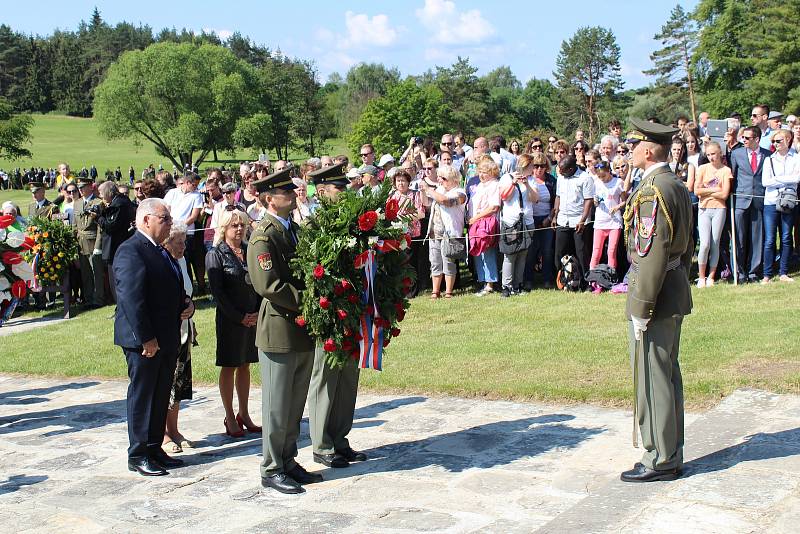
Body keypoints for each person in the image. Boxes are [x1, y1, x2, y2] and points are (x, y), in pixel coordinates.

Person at [620, 118, 693, 483]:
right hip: (673, 287)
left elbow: (652, 252)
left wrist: (641, 306)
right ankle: (669, 451)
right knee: (665, 373)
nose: (629, 151)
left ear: (648, 150)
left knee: (654, 377)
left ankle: (661, 458)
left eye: (633, 145)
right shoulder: (672, 183)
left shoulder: (653, 189)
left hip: (657, 293)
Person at [246, 167, 320, 494]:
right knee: (277, 405)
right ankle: (272, 466)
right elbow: (269, 284)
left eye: (292, 189)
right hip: (279, 329)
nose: (292, 194)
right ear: (269, 199)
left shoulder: (292, 230)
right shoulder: (264, 235)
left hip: (300, 328)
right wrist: (308, 300)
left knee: (294, 403)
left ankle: (288, 459)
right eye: (285, 191)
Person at [113, 198, 194, 476]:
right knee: (143, 394)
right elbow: (131, 299)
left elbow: (170, 289)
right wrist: (146, 338)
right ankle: (138, 454)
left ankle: (154, 446)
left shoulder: (160, 251)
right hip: (145, 341)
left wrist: (187, 305)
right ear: (146, 219)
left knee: (161, 394)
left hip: (167, 336)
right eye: (165, 219)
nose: (170, 223)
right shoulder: (131, 250)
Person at [304, 164, 369, 470]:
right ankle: (321, 443)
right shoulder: (314, 224)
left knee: (348, 378)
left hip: (354, 306)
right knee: (326, 376)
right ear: (322, 191)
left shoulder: (355, 222)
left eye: (345, 187)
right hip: (329, 311)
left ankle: (340, 438)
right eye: (338, 188)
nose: (344, 192)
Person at [206, 208, 262, 438]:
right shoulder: (216, 254)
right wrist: (240, 317)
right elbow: (218, 294)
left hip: (252, 317)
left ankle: (244, 413)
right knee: (230, 365)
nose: (239, 229)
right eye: (234, 225)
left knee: (246, 365)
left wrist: (256, 312)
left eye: (242, 225)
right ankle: (229, 416)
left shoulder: (250, 250)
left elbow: (259, 283)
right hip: (231, 319)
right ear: (224, 228)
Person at [161, 222, 195, 454]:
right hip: (167, 331)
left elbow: (188, 295)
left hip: (184, 329)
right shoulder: (162, 262)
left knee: (179, 383)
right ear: (166, 242)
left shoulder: (182, 261)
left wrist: (191, 311)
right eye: (178, 242)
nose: (183, 246)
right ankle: (163, 433)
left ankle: (174, 429)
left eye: (184, 241)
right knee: (166, 383)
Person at [730, 126, 771, 282]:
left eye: (747, 138)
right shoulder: (736, 154)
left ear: (757, 139)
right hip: (741, 201)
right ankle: (739, 273)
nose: (744, 141)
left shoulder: (767, 155)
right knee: (739, 238)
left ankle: (753, 272)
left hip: (759, 200)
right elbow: (732, 177)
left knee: (756, 239)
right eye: (743, 138)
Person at [690, 141, 732, 287]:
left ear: (720, 152)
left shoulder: (726, 170)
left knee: (715, 242)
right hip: (704, 209)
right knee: (705, 243)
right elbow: (697, 191)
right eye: (708, 154)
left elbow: (725, 194)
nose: (711, 157)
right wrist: (715, 191)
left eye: (713, 154)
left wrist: (706, 190)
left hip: (719, 209)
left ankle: (711, 277)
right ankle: (701, 277)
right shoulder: (702, 168)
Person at [761, 130, 800, 283]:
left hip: (788, 201)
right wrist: (786, 180)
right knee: (770, 239)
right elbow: (766, 182)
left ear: (788, 140)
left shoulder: (796, 158)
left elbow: (796, 178)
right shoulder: (769, 160)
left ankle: (783, 272)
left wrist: (777, 179)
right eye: (774, 142)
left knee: (785, 237)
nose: (776, 144)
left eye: (779, 141)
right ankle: (767, 274)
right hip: (770, 202)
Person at [498, 154, 538, 296]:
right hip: (511, 223)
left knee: (522, 254)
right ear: (525, 165)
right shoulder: (506, 178)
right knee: (510, 255)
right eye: (532, 166)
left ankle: (518, 285)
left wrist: (526, 184)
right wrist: (514, 183)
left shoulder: (532, 180)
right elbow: (504, 197)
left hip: (527, 222)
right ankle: (506, 287)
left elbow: (535, 199)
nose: (534, 168)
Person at [425, 164, 467, 298]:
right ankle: (435, 291)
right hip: (434, 233)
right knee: (435, 262)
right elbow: (427, 203)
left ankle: (448, 292)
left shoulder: (460, 193)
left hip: (449, 234)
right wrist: (423, 191)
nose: (439, 180)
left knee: (448, 262)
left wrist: (429, 190)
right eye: (438, 177)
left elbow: (446, 201)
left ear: (453, 179)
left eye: (442, 178)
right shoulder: (439, 190)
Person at [552, 156, 594, 281]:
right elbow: (558, 197)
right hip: (562, 220)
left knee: (581, 253)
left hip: (578, 221)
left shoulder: (585, 178)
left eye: (563, 170)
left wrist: (582, 220)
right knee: (559, 252)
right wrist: (555, 216)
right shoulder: (561, 178)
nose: (560, 172)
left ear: (571, 169)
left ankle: (585, 282)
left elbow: (588, 200)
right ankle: (563, 280)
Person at [97, 180, 136, 305]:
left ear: (109, 192)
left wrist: (99, 217)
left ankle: (121, 306)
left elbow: (111, 226)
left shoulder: (119, 204)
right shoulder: (118, 202)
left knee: (117, 280)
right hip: (117, 247)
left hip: (117, 247)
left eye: (101, 193)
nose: (100, 196)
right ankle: (120, 306)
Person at [468, 156, 501, 296]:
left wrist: (476, 217)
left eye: (485, 172)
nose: (481, 174)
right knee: (478, 253)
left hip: (486, 222)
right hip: (475, 222)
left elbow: (494, 207)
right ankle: (483, 281)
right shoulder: (480, 185)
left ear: (492, 172)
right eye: (480, 171)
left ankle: (490, 283)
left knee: (487, 253)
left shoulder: (494, 185)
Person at [523, 153, 557, 290]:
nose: (538, 169)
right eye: (535, 166)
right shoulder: (528, 179)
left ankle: (547, 279)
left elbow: (556, 203)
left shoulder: (551, 181)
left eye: (542, 166)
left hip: (546, 219)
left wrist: (549, 218)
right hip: (531, 219)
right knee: (530, 251)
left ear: (546, 167)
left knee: (547, 251)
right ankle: (528, 280)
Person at [72, 177, 105, 309]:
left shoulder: (98, 202)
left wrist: (98, 246)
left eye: (83, 186)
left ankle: (98, 299)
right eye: (79, 187)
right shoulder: (77, 203)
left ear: (90, 187)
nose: (80, 189)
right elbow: (74, 226)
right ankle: (88, 298)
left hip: (93, 241)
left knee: (96, 272)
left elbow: (100, 227)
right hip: (80, 242)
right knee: (85, 273)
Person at [589, 160, 626, 276]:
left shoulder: (618, 182)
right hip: (600, 222)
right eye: (599, 177)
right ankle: (592, 278)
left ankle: (611, 277)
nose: (602, 179)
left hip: (614, 222)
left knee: (611, 251)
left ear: (609, 171)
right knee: (596, 251)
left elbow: (625, 201)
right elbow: (595, 202)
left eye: (603, 176)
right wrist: (595, 202)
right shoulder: (596, 183)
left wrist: (617, 207)